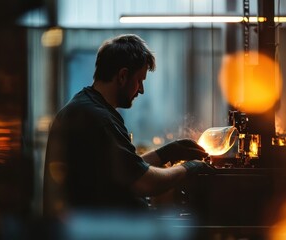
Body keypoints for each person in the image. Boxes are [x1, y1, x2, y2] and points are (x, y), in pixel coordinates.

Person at [43, 34, 214, 217]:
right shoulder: (98, 118)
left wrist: (166, 153)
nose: (141, 90)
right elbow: (144, 183)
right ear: (123, 76)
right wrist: (189, 168)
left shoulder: (87, 106)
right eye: (140, 80)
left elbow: (125, 171)